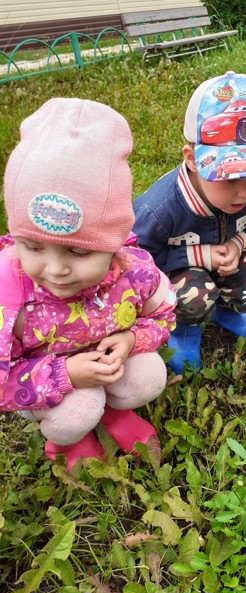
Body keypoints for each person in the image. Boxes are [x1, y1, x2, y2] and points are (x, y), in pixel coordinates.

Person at [0, 98, 177, 471]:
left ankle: (112, 413)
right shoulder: (8, 293)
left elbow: (163, 315)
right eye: (32, 246)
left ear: (113, 245)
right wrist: (66, 375)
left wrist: (132, 340)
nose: (56, 269)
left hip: (107, 364)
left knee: (148, 376)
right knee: (76, 412)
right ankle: (71, 437)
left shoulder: (134, 272)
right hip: (48, 387)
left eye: (79, 253)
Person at [133, 71, 246, 373]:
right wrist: (199, 256)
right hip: (174, 272)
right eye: (228, 176)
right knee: (194, 295)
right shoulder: (159, 210)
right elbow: (137, 260)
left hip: (223, 259)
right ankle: (183, 329)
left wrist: (236, 243)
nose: (243, 192)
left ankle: (227, 314)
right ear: (191, 159)